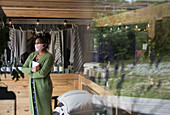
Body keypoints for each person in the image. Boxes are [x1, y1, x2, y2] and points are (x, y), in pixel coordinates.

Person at [22, 33, 54, 115]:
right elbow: (23, 69)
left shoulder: (49, 56)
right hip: (32, 85)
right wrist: (32, 70)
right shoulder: (33, 55)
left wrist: (30, 74)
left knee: (44, 108)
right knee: (34, 108)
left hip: (43, 86)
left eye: (39, 43)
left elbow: (42, 73)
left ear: (45, 44)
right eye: (35, 43)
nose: (37, 45)